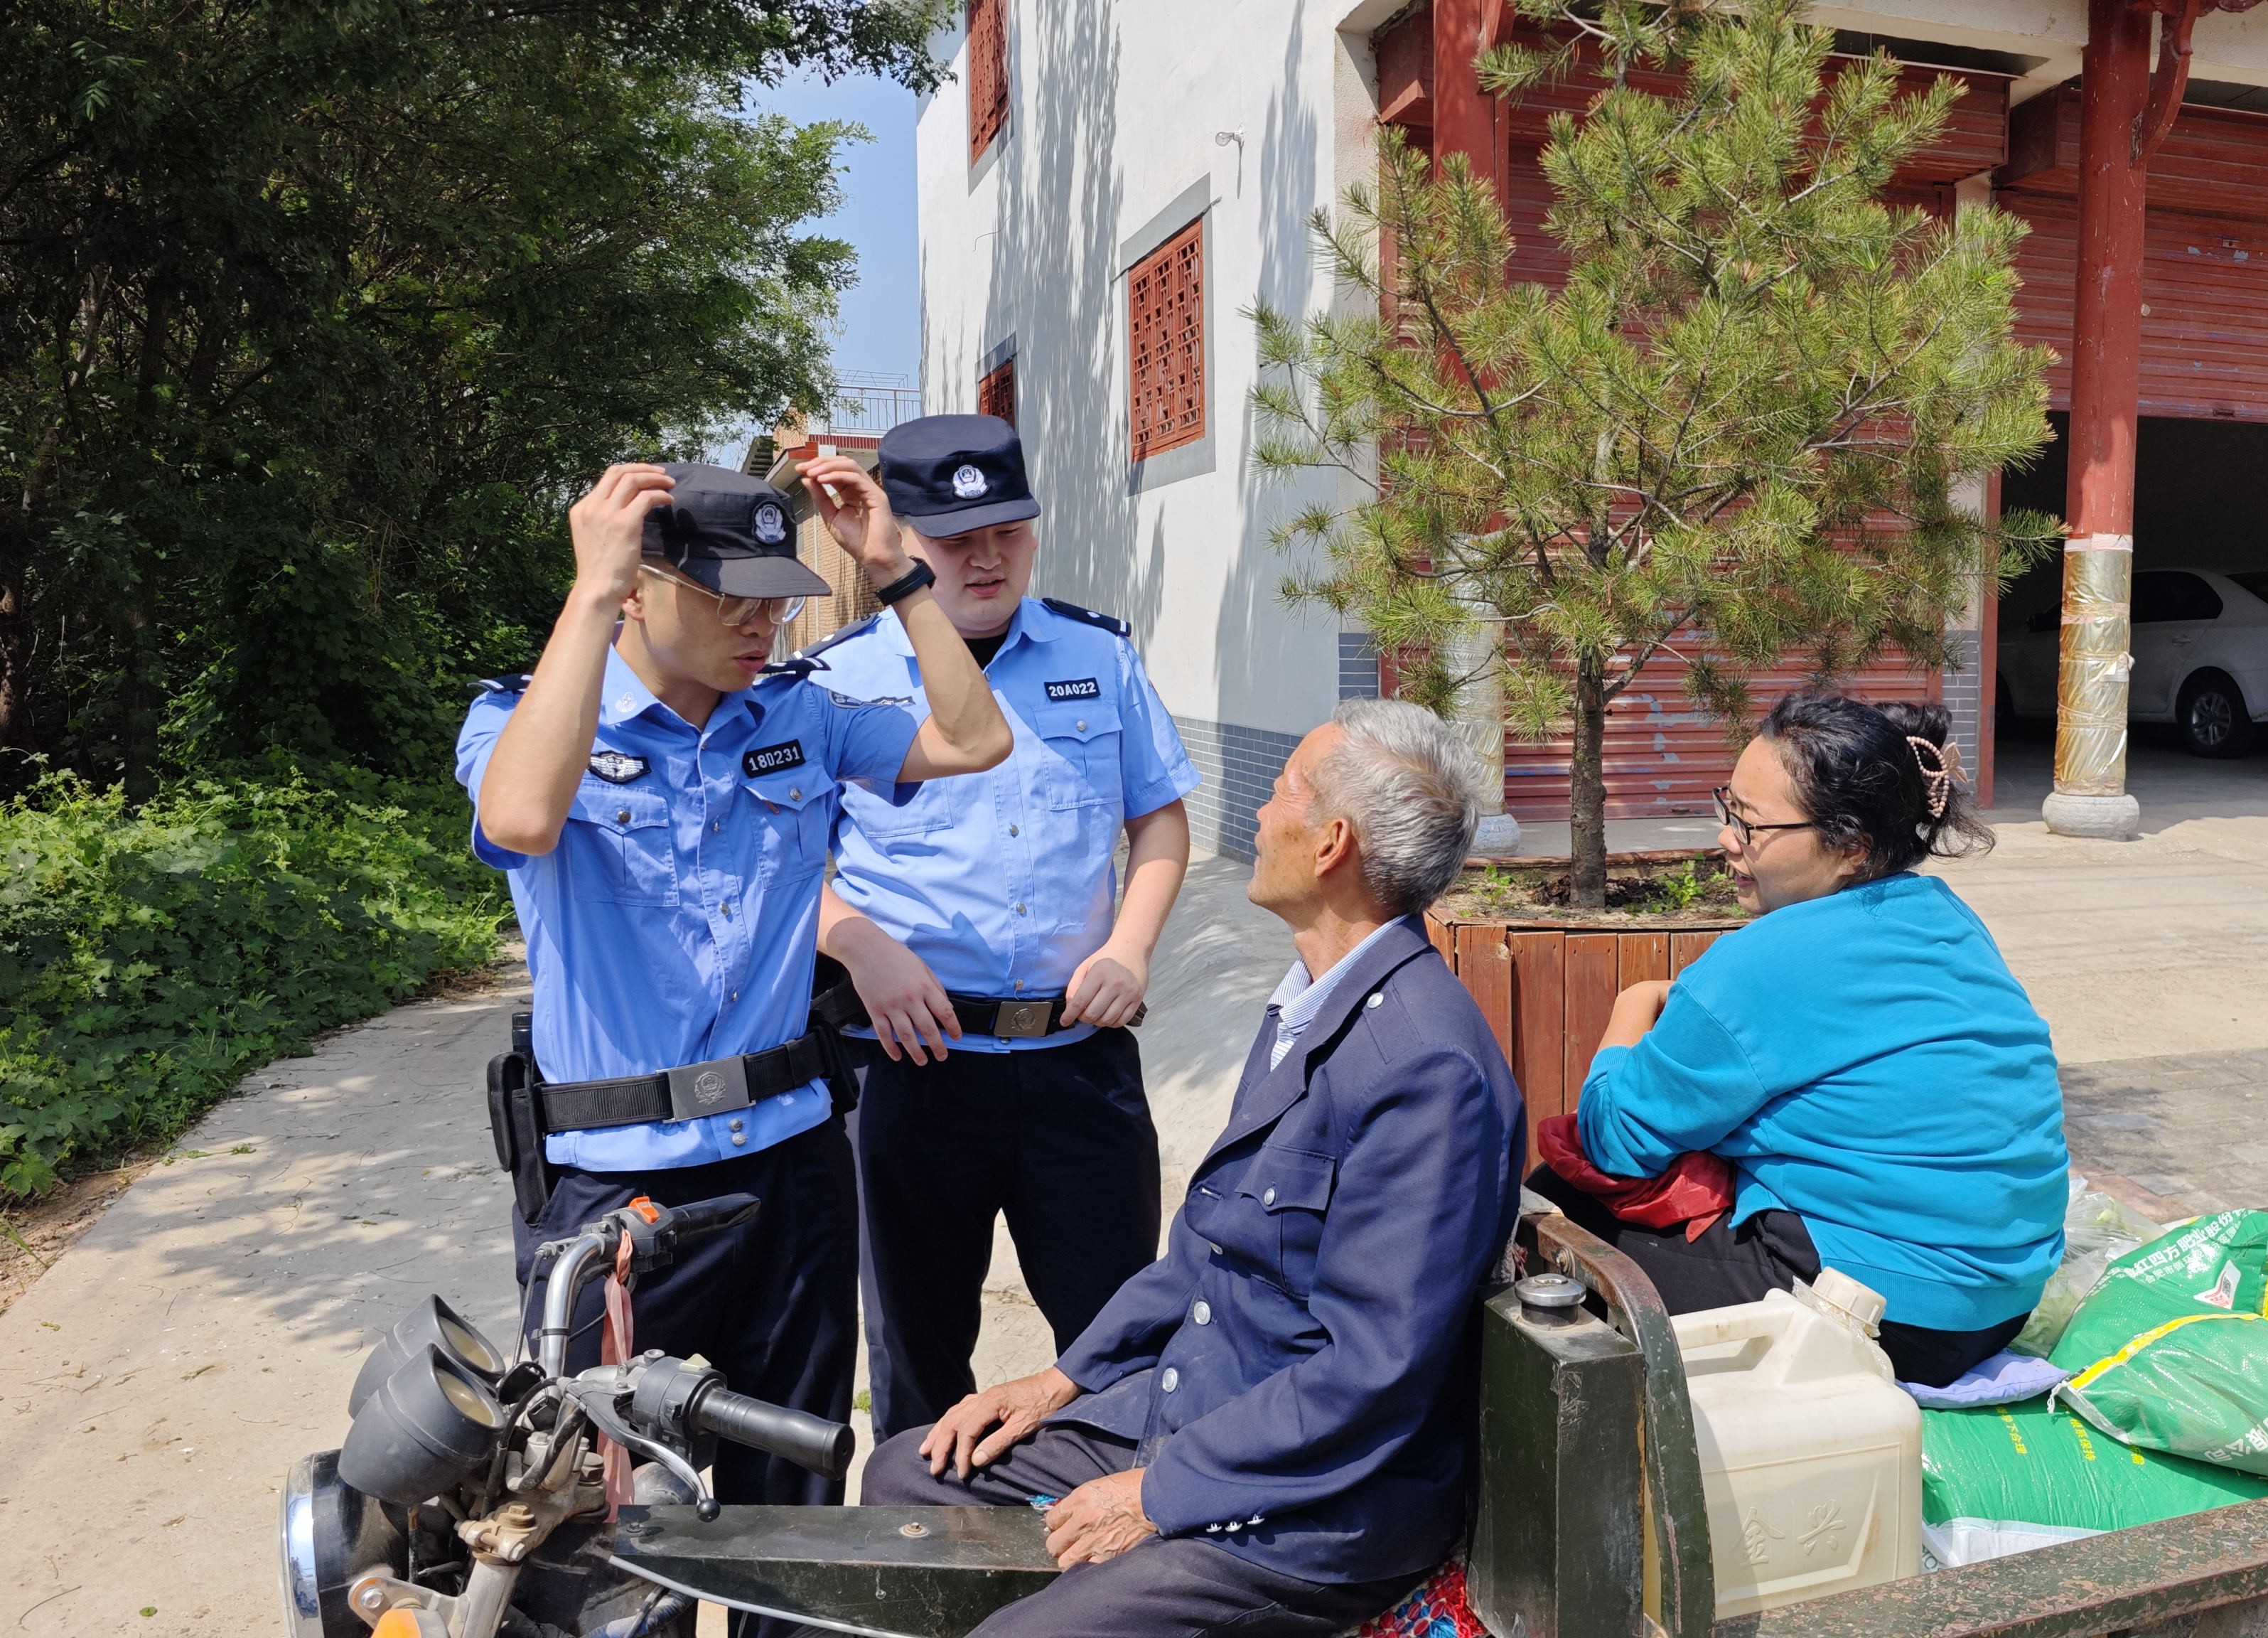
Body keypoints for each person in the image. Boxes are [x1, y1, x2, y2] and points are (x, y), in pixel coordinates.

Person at [458, 459, 1011, 1625]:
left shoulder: (799, 716)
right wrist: (584, 596)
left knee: (792, 1502)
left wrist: (901, 578)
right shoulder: (531, 713)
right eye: (728, 598)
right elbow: (518, 817)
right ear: (641, 587)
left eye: (775, 598)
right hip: (619, 1198)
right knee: (607, 1514)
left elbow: (974, 740)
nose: (762, 624)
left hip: (790, 1176)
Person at [861, 700, 1525, 1638]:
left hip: (1308, 1509)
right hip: (1205, 1409)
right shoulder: (1314, 1004)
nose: (1257, 811)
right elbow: (1203, 1257)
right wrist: (1061, 1383)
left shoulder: (1424, 1067)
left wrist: (1159, 1494)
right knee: (910, 1474)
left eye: (1283, 787)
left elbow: (1369, 1373)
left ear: (1332, 842)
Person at [807, 412, 1201, 1441]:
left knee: (1117, 1345)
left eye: (1008, 532)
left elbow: (1157, 817)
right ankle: (930, 1564)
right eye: (953, 539)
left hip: (1078, 1063)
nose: (986, 558)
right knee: (916, 1353)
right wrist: (857, 942)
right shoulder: (843, 679)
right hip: (913, 1067)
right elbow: (785, 867)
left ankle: (1109, 1562)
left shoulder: (1096, 655)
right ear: (900, 539)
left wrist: (1129, 947)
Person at [1532, 691, 2070, 1389]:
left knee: (1551, 1204)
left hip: (1891, 1313)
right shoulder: (1945, 916)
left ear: (1850, 846)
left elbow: (1612, 1139)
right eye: (1727, 806)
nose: (1725, 837)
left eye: (1749, 824)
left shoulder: (1766, 960)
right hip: (2004, 1295)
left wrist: (1632, 1008)